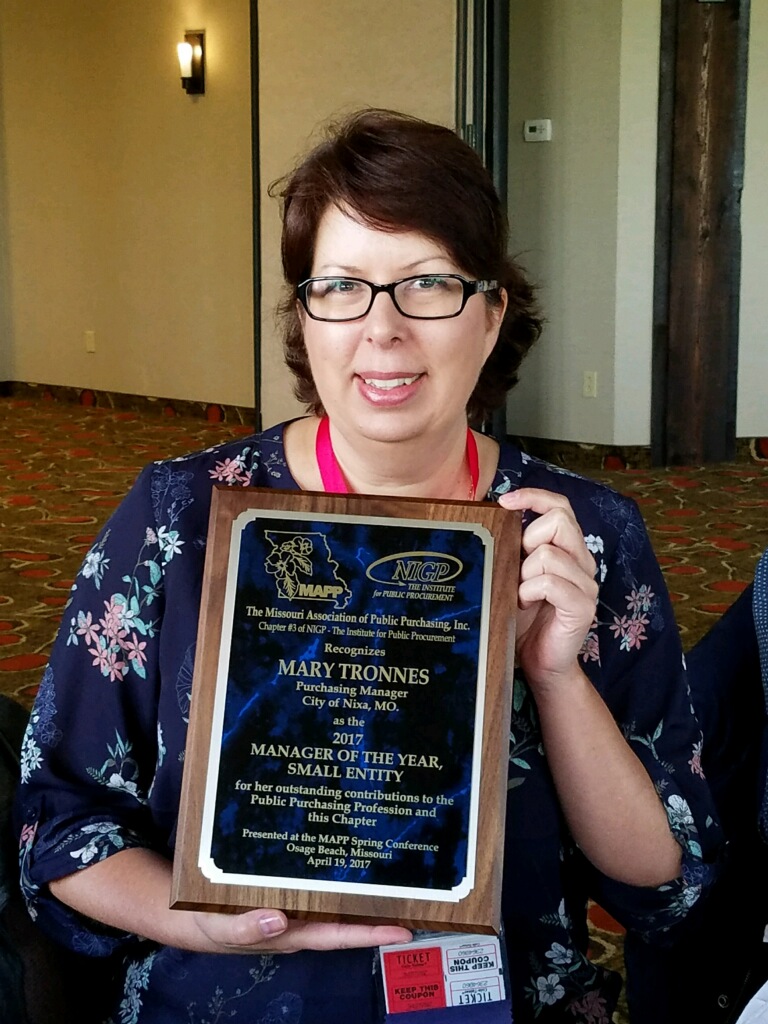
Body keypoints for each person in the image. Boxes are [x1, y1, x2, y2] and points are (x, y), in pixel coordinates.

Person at [13, 109, 721, 1023]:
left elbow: (664, 880)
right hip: (227, 1000)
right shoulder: (179, 520)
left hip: (502, 1001)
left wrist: (554, 677)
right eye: (342, 287)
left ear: (493, 313)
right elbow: (58, 825)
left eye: (428, 283)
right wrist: (206, 925)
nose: (382, 328)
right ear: (305, 316)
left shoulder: (583, 535)